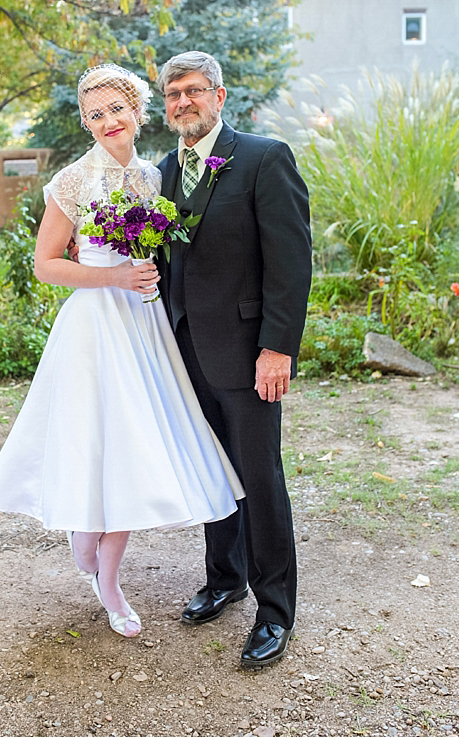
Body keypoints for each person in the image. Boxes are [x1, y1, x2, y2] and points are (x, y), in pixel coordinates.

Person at [0, 63, 245, 639]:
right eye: (94, 115)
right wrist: (114, 278)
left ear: (138, 111)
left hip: (145, 328)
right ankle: (89, 541)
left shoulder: (155, 177)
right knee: (93, 439)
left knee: (131, 445)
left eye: (116, 109)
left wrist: (145, 277)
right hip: (95, 325)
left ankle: (110, 576)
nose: (107, 122)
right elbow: (46, 265)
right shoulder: (72, 182)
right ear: (85, 123)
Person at [153, 50, 311, 669]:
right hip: (185, 349)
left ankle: (275, 610)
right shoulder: (166, 171)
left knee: (259, 477)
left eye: (193, 91)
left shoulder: (264, 158)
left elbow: (291, 263)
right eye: (172, 94)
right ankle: (225, 578)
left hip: (249, 355)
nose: (183, 102)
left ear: (219, 97)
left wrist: (277, 348)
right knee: (209, 471)